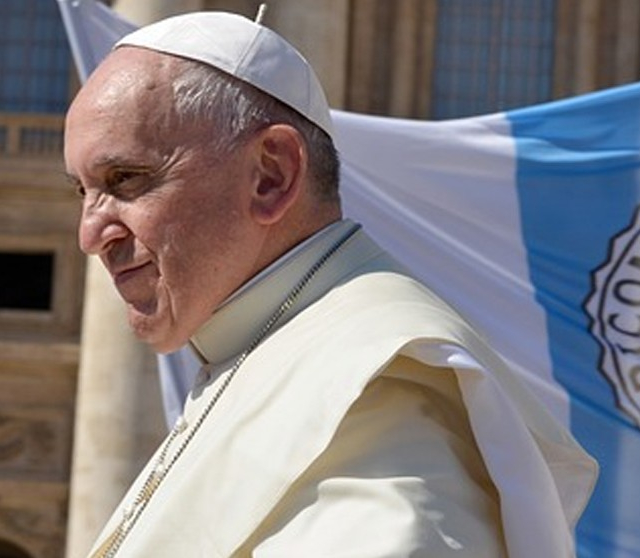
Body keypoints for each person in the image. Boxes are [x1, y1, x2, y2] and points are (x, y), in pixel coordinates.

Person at [63, 11, 597, 558]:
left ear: (271, 176)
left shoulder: (384, 395)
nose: (89, 235)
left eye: (124, 180)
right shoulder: (253, 350)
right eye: (82, 191)